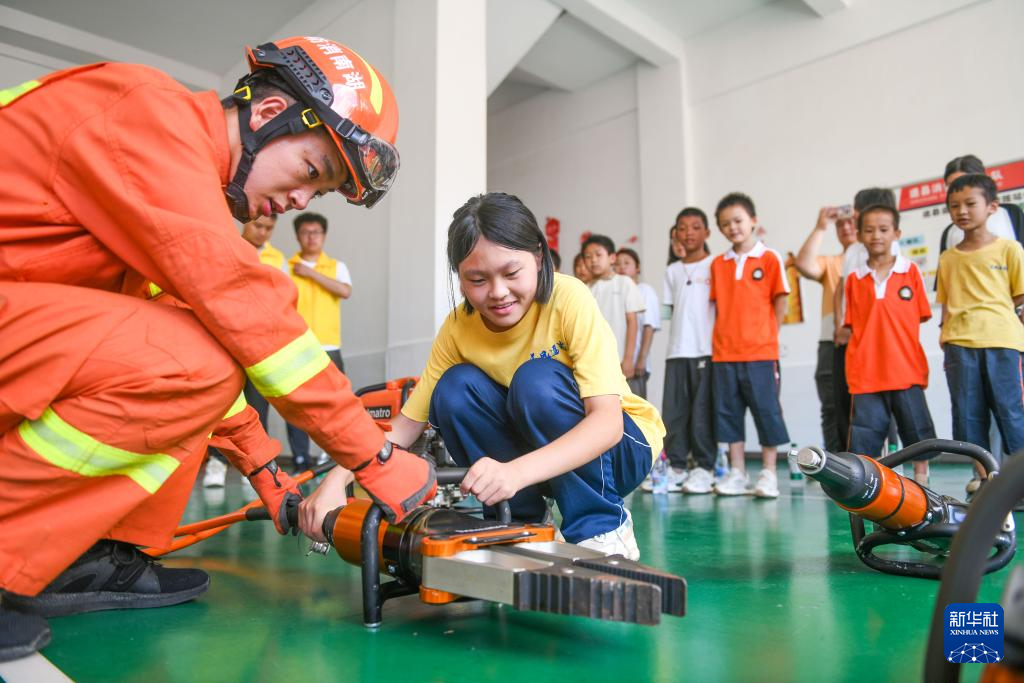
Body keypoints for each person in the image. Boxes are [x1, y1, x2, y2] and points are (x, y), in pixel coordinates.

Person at [0, 36, 436, 661]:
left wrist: (267, 472)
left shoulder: (159, 176)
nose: (298, 203)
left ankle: (86, 555)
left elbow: (182, 336)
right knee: (198, 353)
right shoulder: (145, 116)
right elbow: (243, 309)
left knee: (194, 348)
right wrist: (377, 458)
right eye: (312, 173)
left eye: (319, 194)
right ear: (265, 116)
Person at [302, 193, 665, 558]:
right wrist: (337, 478)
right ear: (460, 280)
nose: (498, 293)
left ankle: (602, 528)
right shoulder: (458, 328)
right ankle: (524, 526)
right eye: (477, 279)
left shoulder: (568, 297)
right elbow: (403, 427)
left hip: (621, 451)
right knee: (454, 390)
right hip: (540, 464)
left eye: (511, 273)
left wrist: (516, 472)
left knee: (535, 382)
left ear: (538, 257)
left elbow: (606, 424)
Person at [937, 174, 1024, 482]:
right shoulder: (948, 258)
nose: (962, 211)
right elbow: (946, 302)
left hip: (1003, 341)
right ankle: (984, 478)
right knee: (967, 416)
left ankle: (1017, 482)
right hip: (959, 344)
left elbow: (1021, 298)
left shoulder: (1010, 250)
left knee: (1011, 412)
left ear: (992, 207)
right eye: (954, 206)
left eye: (970, 204)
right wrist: (945, 336)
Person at [843, 204, 935, 484]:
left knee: (917, 432)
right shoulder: (854, 279)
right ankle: (869, 488)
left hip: (905, 369)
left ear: (896, 233)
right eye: (868, 230)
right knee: (865, 438)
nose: (876, 236)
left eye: (883, 229)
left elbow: (918, 317)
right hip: (866, 373)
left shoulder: (911, 272)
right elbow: (852, 325)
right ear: (859, 235)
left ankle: (922, 483)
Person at [709, 193, 790, 498]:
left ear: (753, 221)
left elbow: (781, 299)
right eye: (725, 224)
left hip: (760, 353)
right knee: (728, 414)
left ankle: (768, 472)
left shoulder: (770, 258)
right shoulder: (718, 264)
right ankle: (737, 471)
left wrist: (770, 334)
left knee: (766, 411)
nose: (733, 228)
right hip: (724, 353)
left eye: (738, 221)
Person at [832, 188, 899, 449]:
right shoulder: (852, 251)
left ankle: (889, 460)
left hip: (876, 342)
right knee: (847, 402)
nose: (855, 216)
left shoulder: (893, 250)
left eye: (857, 210)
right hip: (851, 339)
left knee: (883, 404)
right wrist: (841, 324)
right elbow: (841, 289)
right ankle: (853, 461)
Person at [286, 212, 352, 471]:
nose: (311, 237)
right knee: (296, 405)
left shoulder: (337, 266)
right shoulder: (286, 266)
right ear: (298, 236)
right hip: (295, 345)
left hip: (329, 346)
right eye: (306, 232)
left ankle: (332, 454)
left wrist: (311, 274)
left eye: (316, 232)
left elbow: (345, 291)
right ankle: (301, 457)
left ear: (323, 236)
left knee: (336, 403)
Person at [661, 208, 717, 495]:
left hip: (706, 351)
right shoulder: (671, 271)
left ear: (707, 232)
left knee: (702, 412)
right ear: (675, 234)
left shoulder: (716, 265)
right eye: (683, 228)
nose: (689, 233)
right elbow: (667, 312)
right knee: (674, 414)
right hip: (676, 352)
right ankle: (677, 467)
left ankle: (705, 468)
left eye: (696, 227)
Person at [794, 206, 859, 452]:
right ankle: (835, 464)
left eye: (851, 222)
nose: (845, 228)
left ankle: (870, 465)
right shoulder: (833, 263)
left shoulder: (874, 259)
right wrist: (821, 226)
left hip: (863, 341)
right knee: (832, 406)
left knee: (866, 406)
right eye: (840, 225)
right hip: (831, 340)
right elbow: (803, 263)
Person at [582, 235, 646, 381]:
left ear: (612, 258)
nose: (593, 260)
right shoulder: (584, 289)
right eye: (588, 256)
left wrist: (629, 358)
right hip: (592, 362)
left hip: (619, 359)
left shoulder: (624, 283)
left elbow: (632, 322)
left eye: (598, 255)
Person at [939, 155, 1024, 254]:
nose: (959, 189)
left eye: (965, 182)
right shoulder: (950, 233)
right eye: (952, 185)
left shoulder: (1011, 213)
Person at [614, 247, 661, 399]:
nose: (621, 267)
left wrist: (641, 359)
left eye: (626, 263)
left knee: (635, 408)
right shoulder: (615, 292)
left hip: (634, 364)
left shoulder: (645, 290)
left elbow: (649, 326)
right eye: (618, 264)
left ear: (637, 267)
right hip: (615, 362)